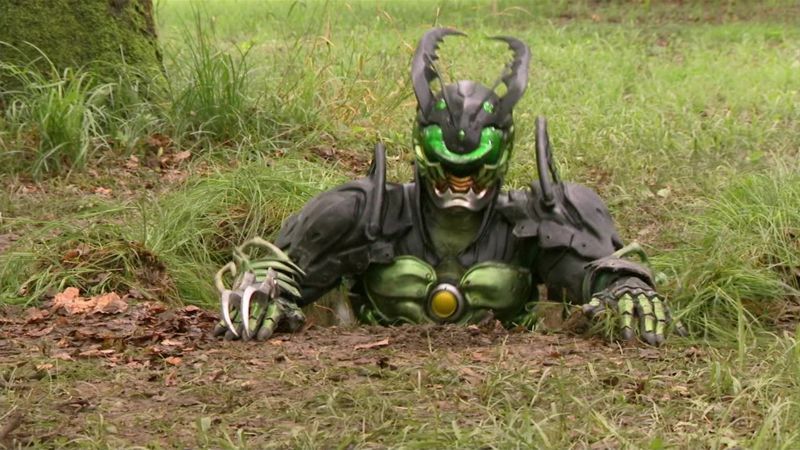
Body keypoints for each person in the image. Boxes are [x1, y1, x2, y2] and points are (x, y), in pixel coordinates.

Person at [213, 28, 682, 346]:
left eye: (474, 168)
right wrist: (263, 292)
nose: (460, 180)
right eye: (447, 165)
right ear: (421, 148)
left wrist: (625, 289)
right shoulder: (362, 211)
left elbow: (600, 272)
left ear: (503, 152)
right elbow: (281, 270)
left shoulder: (540, 218)